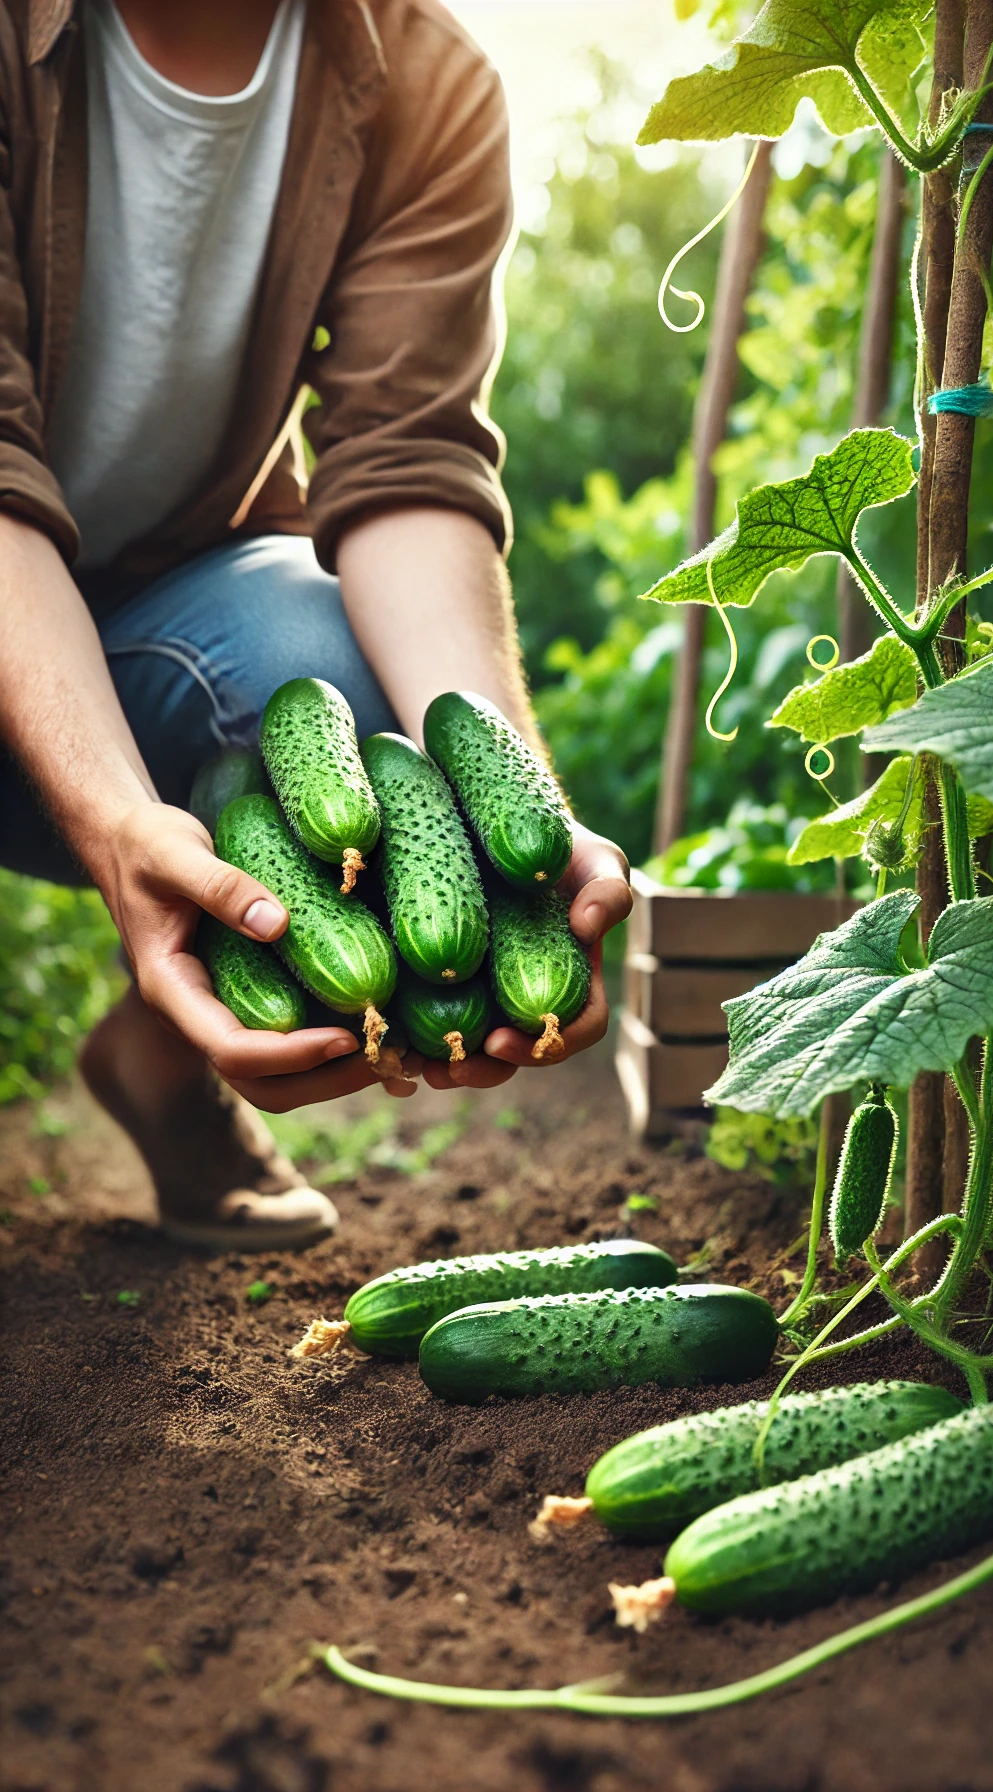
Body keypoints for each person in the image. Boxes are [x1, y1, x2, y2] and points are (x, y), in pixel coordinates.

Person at [0, 0, 631, 1251]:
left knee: (353, 700)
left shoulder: (428, 80)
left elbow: (408, 465)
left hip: (147, 614)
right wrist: (110, 816)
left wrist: (509, 813)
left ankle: (164, 1057)